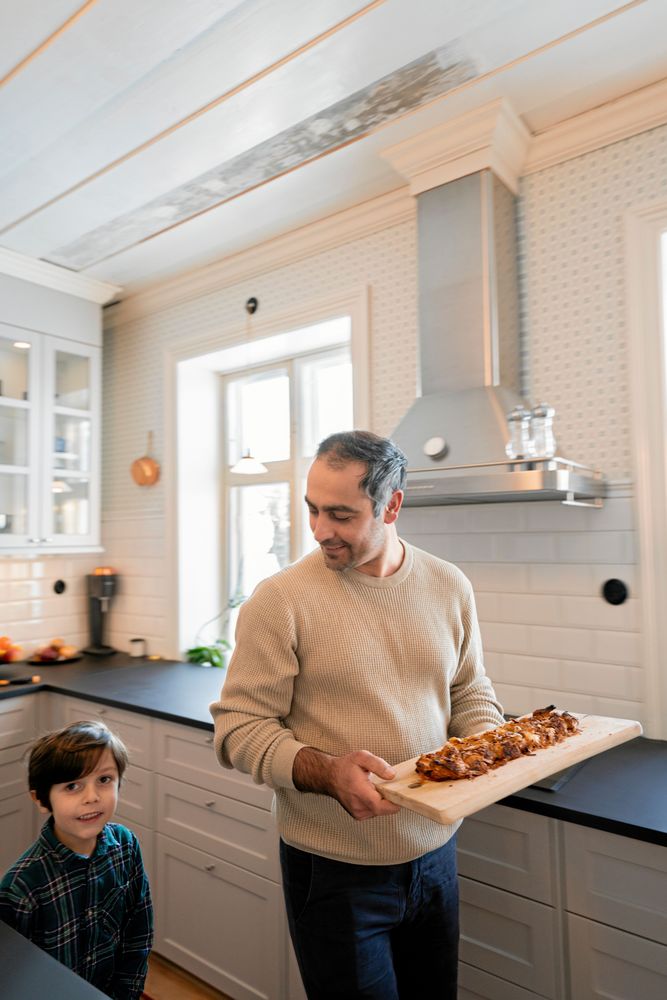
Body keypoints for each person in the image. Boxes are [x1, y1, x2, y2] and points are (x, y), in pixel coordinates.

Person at [210, 430, 504, 1000]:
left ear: (391, 506)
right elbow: (238, 729)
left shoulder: (449, 585)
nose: (320, 530)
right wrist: (326, 772)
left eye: (341, 515)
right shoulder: (280, 600)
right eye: (313, 510)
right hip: (333, 871)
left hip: (435, 854)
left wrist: (485, 749)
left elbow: (469, 689)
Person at [0, 720, 153, 1000]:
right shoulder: (20, 887)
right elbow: (12, 977)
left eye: (104, 780)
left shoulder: (127, 846)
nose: (92, 797)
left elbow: (138, 931)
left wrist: (127, 993)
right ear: (41, 799)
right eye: (72, 786)